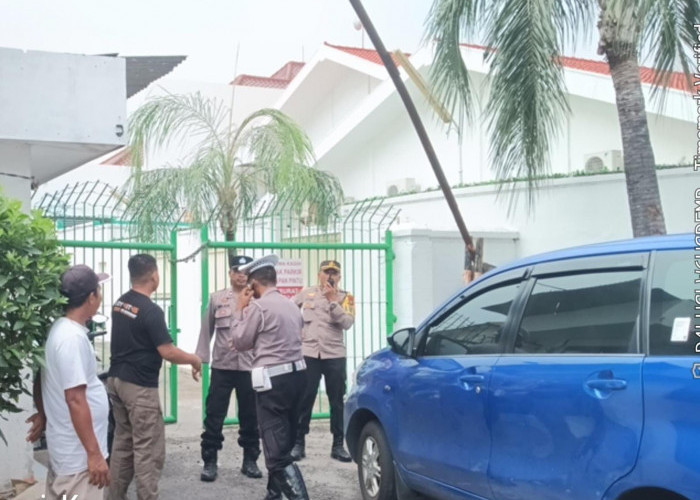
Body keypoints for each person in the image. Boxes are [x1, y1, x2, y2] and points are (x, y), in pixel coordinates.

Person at [107, 254, 202, 500]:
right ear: (154, 276)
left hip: (116, 381)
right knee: (148, 451)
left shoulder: (120, 303)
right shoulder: (151, 311)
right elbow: (168, 351)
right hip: (139, 388)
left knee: (122, 444)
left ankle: (113, 496)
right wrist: (193, 359)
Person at [26, 265, 111, 500]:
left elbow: (41, 377)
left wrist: (43, 413)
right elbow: (75, 399)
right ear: (91, 297)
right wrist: (94, 455)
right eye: (99, 290)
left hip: (70, 452)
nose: (101, 296)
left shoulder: (61, 328)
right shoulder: (71, 338)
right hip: (78, 462)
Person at [230, 254, 309, 500]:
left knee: (277, 455)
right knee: (283, 442)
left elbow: (240, 341)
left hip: (273, 383)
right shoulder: (291, 305)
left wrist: (239, 310)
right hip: (298, 377)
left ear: (254, 284)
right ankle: (273, 495)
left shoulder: (258, 307)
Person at [195, 254, 262, 482]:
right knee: (214, 415)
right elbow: (206, 331)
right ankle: (210, 460)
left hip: (249, 367)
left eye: (245, 272)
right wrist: (200, 359)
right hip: (222, 367)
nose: (241, 276)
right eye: (237, 271)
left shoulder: (257, 299)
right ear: (230, 274)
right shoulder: (217, 299)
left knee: (250, 416)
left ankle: (250, 460)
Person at [291, 259, 354, 462]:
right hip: (310, 353)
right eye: (326, 272)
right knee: (305, 398)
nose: (330, 276)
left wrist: (332, 301)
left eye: (334, 273)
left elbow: (347, 323)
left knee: (336, 400)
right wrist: (297, 333)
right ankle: (298, 443)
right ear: (319, 275)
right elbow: (290, 311)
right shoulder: (307, 293)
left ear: (339, 277)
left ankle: (338, 444)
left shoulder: (346, 297)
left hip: (334, 354)